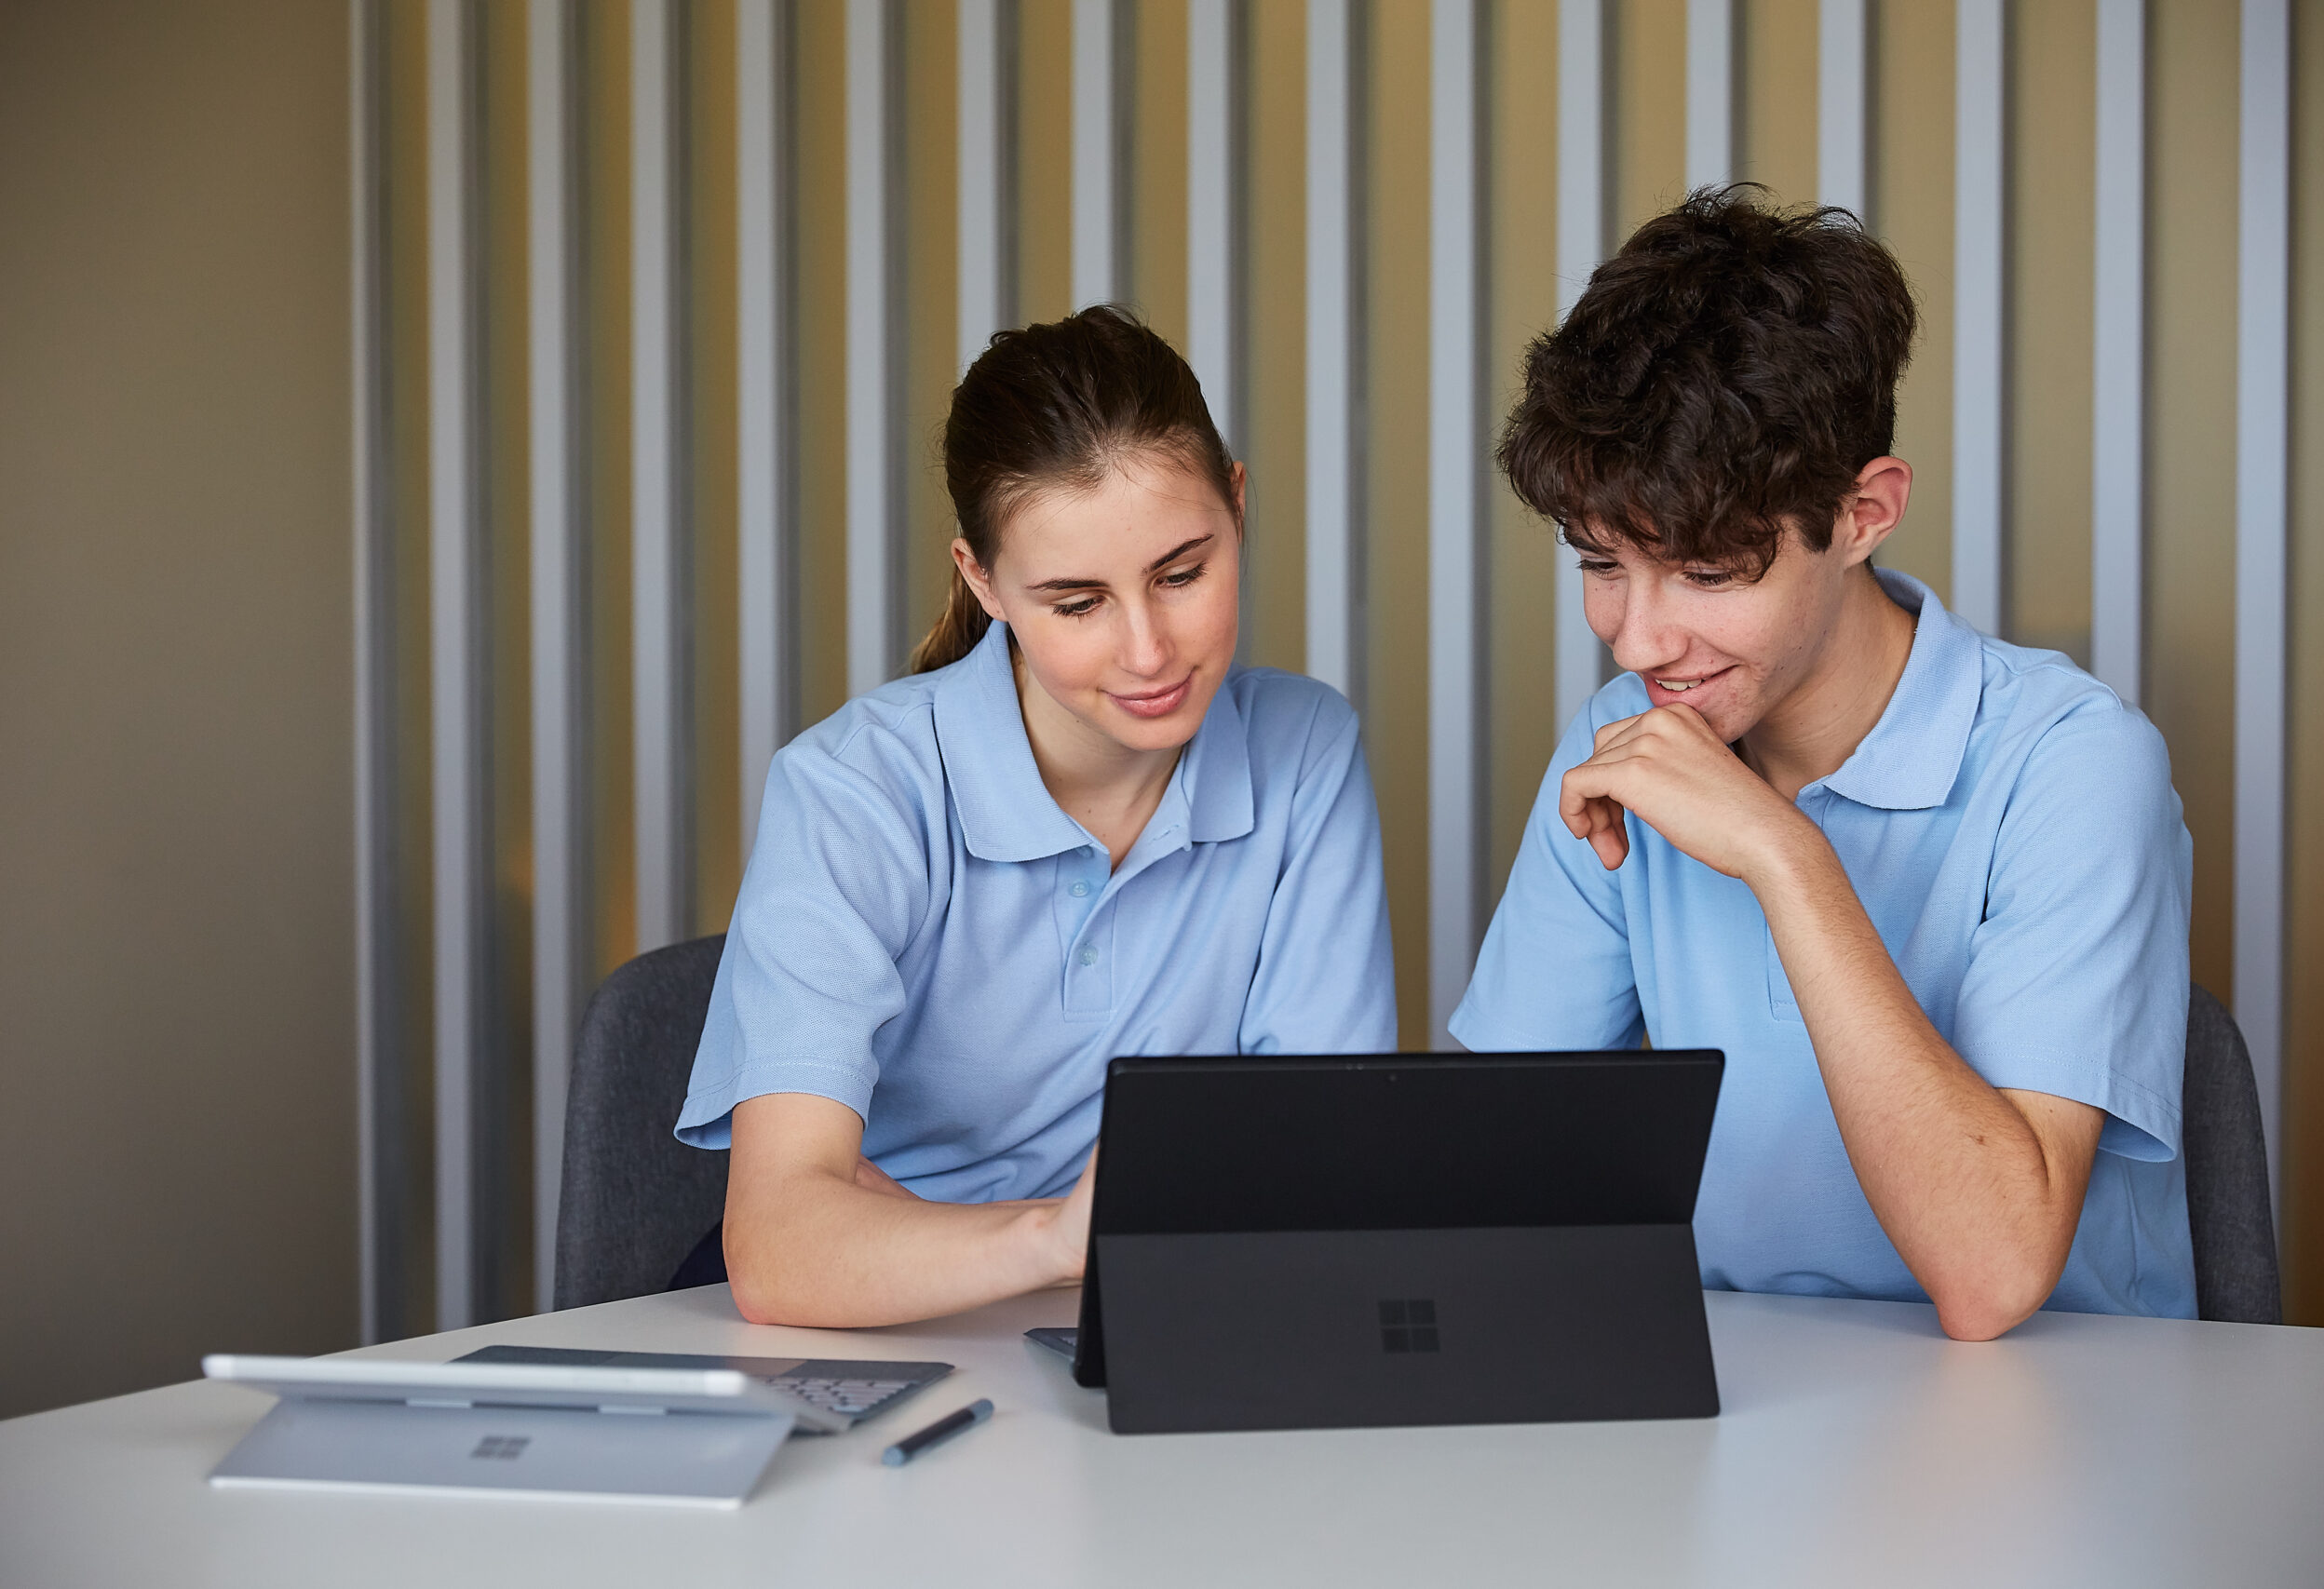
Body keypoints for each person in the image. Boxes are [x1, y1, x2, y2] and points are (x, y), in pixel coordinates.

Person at [1452, 188, 2195, 1340]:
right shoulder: (1630, 733)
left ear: (1862, 513)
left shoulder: (2075, 765)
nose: (1636, 640)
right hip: (1736, 1396)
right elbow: (1484, 1171)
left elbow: (1992, 1274)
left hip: (2053, 1408)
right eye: (1600, 563)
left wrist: (1783, 857)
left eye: (1705, 573)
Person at [679, 305, 1396, 1328]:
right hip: (878, 1319)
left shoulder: (1304, 750)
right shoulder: (852, 789)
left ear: (1237, 506)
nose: (1148, 652)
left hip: (1146, 1305)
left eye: (1182, 573)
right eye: (1076, 602)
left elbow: (1321, 1168)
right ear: (983, 580)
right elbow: (780, 1250)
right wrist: (1061, 1239)